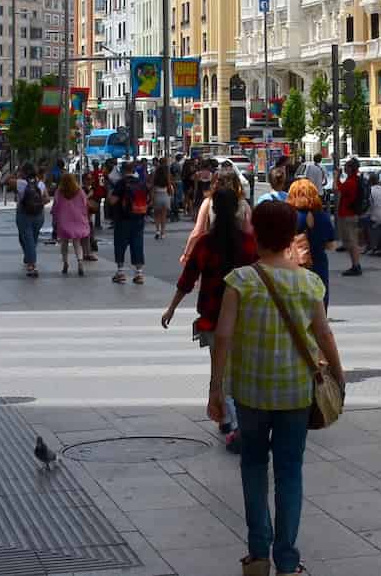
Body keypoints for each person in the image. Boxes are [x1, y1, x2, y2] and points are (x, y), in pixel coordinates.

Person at [208, 199, 346, 576]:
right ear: (290, 237)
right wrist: (338, 372)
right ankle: (287, 560)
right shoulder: (309, 282)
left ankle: (257, 556)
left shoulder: (240, 280)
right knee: (290, 472)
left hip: (250, 392)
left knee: (253, 465)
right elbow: (323, 333)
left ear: (255, 233)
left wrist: (215, 389)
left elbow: (222, 337)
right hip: (294, 393)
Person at [163, 185, 260, 452]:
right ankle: (237, 418)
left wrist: (171, 308)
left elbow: (188, 279)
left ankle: (229, 421)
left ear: (214, 210)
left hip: (213, 316)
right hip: (244, 317)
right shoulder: (249, 243)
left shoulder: (206, 243)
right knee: (239, 369)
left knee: (221, 369)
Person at [287, 177, 335, 308]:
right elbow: (330, 245)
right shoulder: (323, 217)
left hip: (295, 266)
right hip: (319, 266)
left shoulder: (289, 217)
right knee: (319, 304)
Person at [108, 160, 148, 284]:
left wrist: (110, 192)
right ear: (133, 170)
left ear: (122, 171)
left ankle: (120, 273)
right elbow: (148, 200)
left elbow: (112, 201)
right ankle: (139, 274)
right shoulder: (141, 183)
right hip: (139, 219)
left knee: (120, 244)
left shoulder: (121, 183)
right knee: (137, 244)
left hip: (123, 219)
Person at [52, 173, 90, 276]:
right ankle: (80, 262)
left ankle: (65, 263)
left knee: (64, 243)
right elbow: (85, 205)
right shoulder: (80, 192)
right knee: (77, 243)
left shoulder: (59, 192)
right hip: (77, 220)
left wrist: (54, 219)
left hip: (64, 221)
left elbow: (55, 206)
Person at [335, 158, 365, 277]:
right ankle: (355, 265)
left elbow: (336, 189)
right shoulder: (353, 180)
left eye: (347, 166)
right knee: (350, 241)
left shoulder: (351, 182)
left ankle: (356, 265)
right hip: (350, 214)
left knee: (351, 242)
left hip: (348, 215)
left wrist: (336, 176)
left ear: (351, 169)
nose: (345, 168)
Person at [15, 162, 46, 278]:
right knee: (32, 238)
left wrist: (16, 174)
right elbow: (47, 198)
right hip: (39, 215)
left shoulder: (20, 183)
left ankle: (32, 266)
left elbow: (4, 180)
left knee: (27, 239)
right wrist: (38, 203)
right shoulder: (40, 184)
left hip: (24, 214)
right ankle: (29, 257)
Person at [362, 173, 381, 253]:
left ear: (370, 181)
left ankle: (368, 245)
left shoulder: (370, 190)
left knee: (362, 221)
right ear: (379, 180)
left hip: (375, 216)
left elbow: (369, 206)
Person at [151, 160, 173, 240]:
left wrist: (151, 199)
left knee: (156, 215)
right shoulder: (167, 177)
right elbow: (170, 188)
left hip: (157, 195)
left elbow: (152, 189)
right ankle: (163, 232)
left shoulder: (155, 177)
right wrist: (170, 195)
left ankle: (157, 230)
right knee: (164, 216)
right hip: (165, 196)